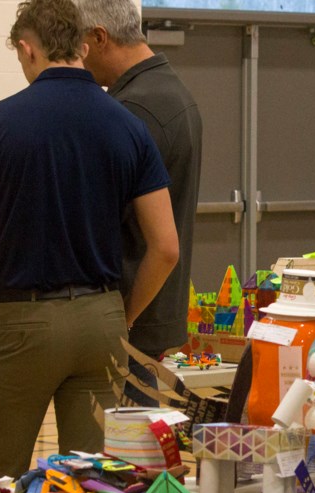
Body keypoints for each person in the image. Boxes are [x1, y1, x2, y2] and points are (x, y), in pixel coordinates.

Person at [0, 1, 178, 493]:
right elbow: (166, 246)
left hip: (21, 322)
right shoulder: (126, 124)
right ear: (80, 42)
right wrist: (120, 316)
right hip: (102, 319)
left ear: (28, 48)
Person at [75, 0, 203, 405]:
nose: (77, 58)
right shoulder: (170, 91)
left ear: (99, 37)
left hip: (130, 312)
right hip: (152, 311)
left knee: (120, 459)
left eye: (79, 45)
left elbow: (95, 215)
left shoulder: (131, 110)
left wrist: (123, 319)